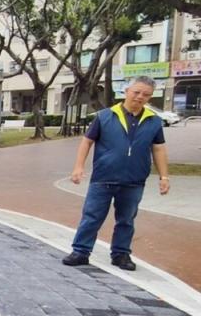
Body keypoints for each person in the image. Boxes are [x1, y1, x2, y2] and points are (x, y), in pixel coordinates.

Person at [62, 76, 170, 271]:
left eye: (146, 94)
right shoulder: (105, 116)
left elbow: (159, 149)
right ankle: (81, 251)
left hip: (134, 180)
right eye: (136, 92)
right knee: (92, 216)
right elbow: (87, 141)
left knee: (126, 219)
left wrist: (164, 177)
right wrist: (79, 167)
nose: (140, 97)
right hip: (103, 178)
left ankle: (121, 254)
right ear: (126, 91)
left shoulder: (153, 121)